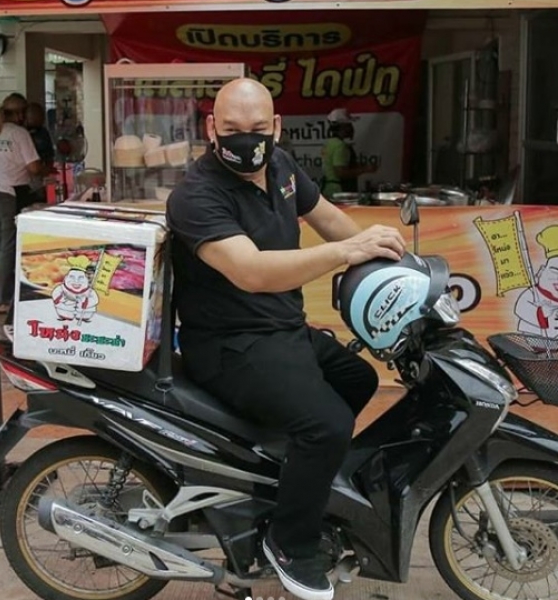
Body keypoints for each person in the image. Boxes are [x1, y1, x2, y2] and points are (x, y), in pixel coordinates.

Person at [166, 78, 405, 600]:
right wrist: (347, 253)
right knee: (326, 424)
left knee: (359, 377)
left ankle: (287, 484)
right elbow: (251, 271)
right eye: (231, 130)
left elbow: (330, 221)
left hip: (282, 329)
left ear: (275, 128)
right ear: (211, 128)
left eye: (256, 129)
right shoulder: (196, 194)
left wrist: (393, 262)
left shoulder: (281, 167)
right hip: (229, 346)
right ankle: (290, 543)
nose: (244, 140)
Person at [0, 93, 41, 315]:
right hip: (11, 194)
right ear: (20, 113)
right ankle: (0, 298)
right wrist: (46, 169)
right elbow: (34, 168)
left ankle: (3, 293)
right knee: (8, 247)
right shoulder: (19, 134)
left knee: (2, 245)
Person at [320, 108, 376, 198]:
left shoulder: (329, 143)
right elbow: (341, 172)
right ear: (342, 127)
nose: (351, 128)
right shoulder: (340, 146)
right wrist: (365, 169)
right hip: (339, 192)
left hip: (328, 189)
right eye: (349, 125)